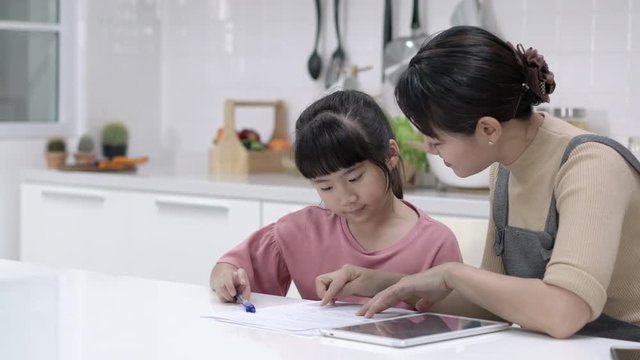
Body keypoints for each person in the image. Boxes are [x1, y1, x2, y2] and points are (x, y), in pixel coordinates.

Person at [315, 26, 640, 341]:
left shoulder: (591, 166)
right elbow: (495, 303)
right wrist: (388, 284)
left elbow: (565, 312)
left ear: (488, 129)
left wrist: (452, 272)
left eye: (436, 136)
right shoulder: (506, 168)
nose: (428, 146)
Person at [209, 90, 462, 306]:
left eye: (354, 179)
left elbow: (457, 326)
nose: (345, 198)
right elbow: (228, 266)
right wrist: (227, 278)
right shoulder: (300, 230)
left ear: (390, 155)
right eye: (326, 187)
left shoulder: (436, 244)